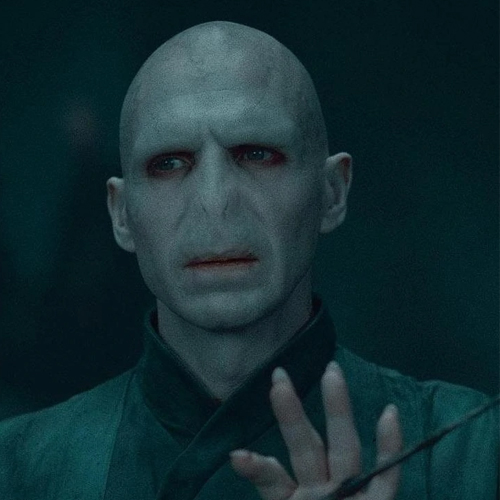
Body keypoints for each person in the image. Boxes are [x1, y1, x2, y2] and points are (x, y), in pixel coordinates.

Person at [0, 21, 497, 500]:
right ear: (121, 213)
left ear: (332, 192)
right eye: (168, 163)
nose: (215, 203)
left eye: (257, 154)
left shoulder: (472, 451)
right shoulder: (17, 470)